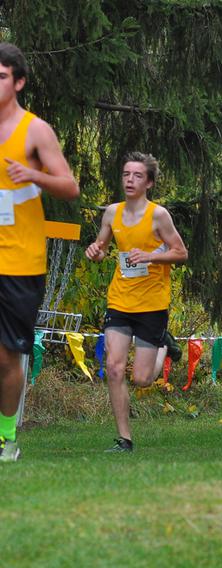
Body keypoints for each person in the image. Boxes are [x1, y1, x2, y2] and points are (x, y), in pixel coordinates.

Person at [0, 43, 80, 462]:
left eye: (0, 76)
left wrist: (32, 174)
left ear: (19, 82)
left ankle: (6, 434)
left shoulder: (34, 131)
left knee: (6, 354)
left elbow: (70, 186)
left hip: (20, 260)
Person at [85, 152, 188, 452]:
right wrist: (96, 252)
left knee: (142, 379)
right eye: (126, 174)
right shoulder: (111, 213)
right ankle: (124, 439)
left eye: (137, 176)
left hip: (152, 303)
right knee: (114, 368)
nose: (130, 180)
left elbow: (181, 253)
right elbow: (102, 247)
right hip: (120, 300)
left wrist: (151, 256)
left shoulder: (159, 215)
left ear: (149, 183)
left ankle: (164, 346)